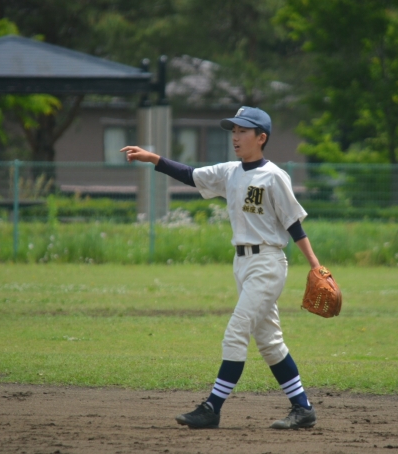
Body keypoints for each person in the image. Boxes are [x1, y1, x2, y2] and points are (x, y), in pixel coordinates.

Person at [121, 106, 322, 430]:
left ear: (261, 137)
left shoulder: (273, 176)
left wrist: (315, 265)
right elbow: (191, 175)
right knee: (269, 342)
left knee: (236, 331)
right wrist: (153, 158)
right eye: (234, 131)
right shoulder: (230, 172)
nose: (235, 137)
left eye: (243, 131)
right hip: (242, 263)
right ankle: (303, 408)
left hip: (267, 263)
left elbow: (293, 224)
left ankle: (212, 407)